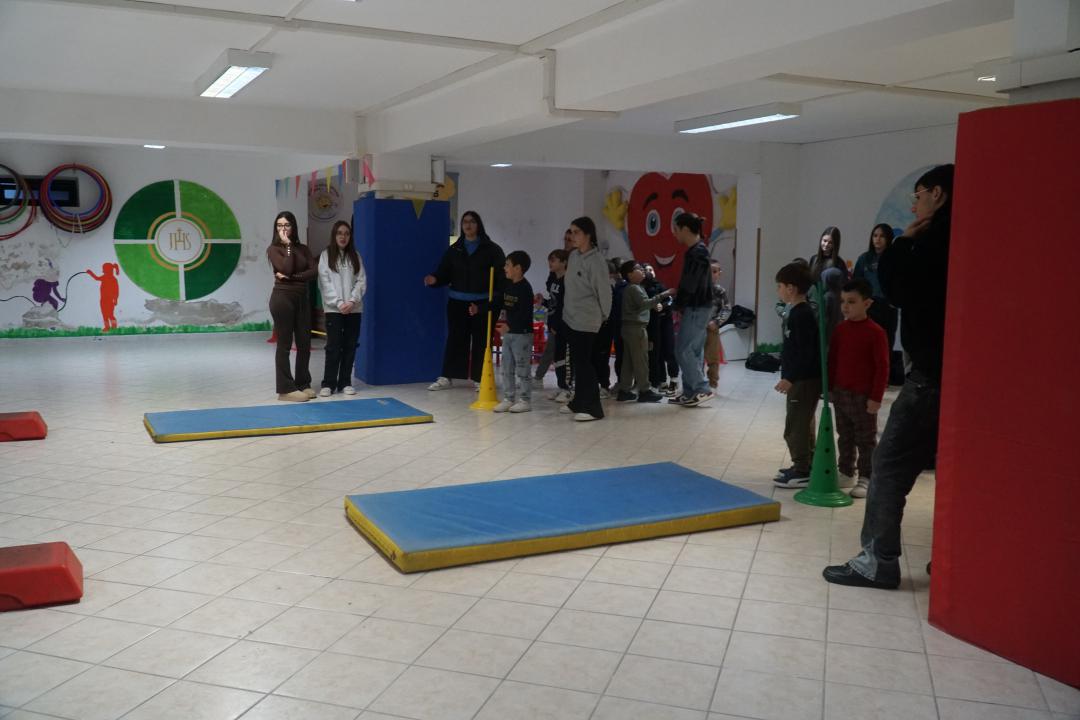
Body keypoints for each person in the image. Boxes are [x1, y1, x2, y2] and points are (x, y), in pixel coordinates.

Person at [824, 164, 954, 589]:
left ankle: (877, 562)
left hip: (931, 376)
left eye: (919, 195)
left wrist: (902, 244)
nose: (915, 205)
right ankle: (957, 558)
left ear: (937, 194)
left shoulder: (933, 241)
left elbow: (897, 289)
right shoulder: (970, 237)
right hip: (959, 376)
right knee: (954, 470)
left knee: (889, 465)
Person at [424, 211, 505, 391]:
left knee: (481, 341)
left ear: (479, 225)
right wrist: (435, 279)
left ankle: (480, 378)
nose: (468, 225)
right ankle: (447, 376)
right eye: (465, 222)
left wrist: (495, 302)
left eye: (472, 222)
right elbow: (444, 273)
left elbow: (501, 278)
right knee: (455, 339)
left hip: (483, 304)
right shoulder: (455, 249)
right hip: (457, 303)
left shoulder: (492, 250)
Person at [828, 279, 889, 497]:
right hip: (841, 392)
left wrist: (876, 397)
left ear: (867, 303)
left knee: (865, 438)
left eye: (851, 302)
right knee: (844, 435)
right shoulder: (840, 330)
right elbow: (833, 360)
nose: (845, 306)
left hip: (863, 396)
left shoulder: (876, 332)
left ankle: (866, 477)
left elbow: (882, 367)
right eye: (843, 301)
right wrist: (830, 388)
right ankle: (846, 471)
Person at [773, 262, 821, 487]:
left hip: (803, 380)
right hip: (802, 378)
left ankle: (802, 469)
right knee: (803, 421)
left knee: (796, 425)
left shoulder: (801, 315)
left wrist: (790, 377)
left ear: (791, 288)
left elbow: (805, 352)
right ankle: (806, 464)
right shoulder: (799, 312)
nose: (779, 291)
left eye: (780, 286)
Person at [561, 216, 612, 422]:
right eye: (571, 232)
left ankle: (593, 408)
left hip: (587, 319)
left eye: (576, 232)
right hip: (570, 317)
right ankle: (578, 401)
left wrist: (604, 316)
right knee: (577, 362)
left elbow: (604, 292)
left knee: (584, 363)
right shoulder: (573, 256)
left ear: (588, 235)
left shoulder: (597, 261)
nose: (572, 236)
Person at [267, 211, 317, 402]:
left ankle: (303, 383)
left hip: (302, 298)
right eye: (279, 225)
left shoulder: (303, 249)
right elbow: (285, 267)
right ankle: (285, 389)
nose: (283, 229)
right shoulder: (274, 249)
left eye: (286, 225)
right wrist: (287, 246)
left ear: (293, 227)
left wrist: (292, 277)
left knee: (304, 343)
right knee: (285, 345)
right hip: (282, 299)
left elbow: (314, 271)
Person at [669, 213, 714, 407]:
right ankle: (690, 392)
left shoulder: (697, 253)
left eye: (676, 229)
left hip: (697, 306)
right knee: (693, 350)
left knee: (682, 349)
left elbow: (690, 283)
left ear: (685, 229)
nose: (674, 234)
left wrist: (678, 304)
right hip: (700, 306)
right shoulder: (698, 251)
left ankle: (702, 388)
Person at [317, 220, 366, 397]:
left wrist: (352, 301)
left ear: (350, 236)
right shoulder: (325, 256)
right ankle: (328, 383)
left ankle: (345, 382)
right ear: (334, 235)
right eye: (339, 233)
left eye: (346, 233)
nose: (343, 237)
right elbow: (325, 283)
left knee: (350, 346)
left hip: (354, 310)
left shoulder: (356, 256)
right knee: (333, 346)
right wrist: (338, 303)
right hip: (334, 310)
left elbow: (361, 281)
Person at [615, 261, 671, 403]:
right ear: (629, 274)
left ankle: (624, 390)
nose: (642, 271)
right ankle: (645, 390)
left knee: (628, 362)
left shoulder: (634, 287)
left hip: (628, 328)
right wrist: (665, 294)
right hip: (636, 328)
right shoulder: (634, 288)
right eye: (638, 269)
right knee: (641, 361)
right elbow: (645, 304)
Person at [854, 223, 901, 384]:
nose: (878, 239)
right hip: (869, 305)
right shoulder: (864, 259)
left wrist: (894, 301)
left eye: (881, 236)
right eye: (875, 236)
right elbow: (856, 283)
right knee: (867, 342)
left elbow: (899, 282)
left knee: (885, 343)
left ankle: (882, 378)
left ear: (888, 239)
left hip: (888, 306)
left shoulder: (894, 259)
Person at [492, 251, 534, 413]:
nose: (505, 268)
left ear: (518, 268)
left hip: (522, 335)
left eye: (507, 265)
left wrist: (510, 326)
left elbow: (524, 314)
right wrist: (480, 308)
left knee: (522, 368)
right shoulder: (508, 285)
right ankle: (508, 398)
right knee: (506, 368)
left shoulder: (525, 289)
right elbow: (500, 303)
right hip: (509, 334)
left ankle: (525, 400)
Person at [535, 249, 570, 401]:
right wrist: (543, 302)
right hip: (554, 325)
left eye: (554, 260)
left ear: (564, 262)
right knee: (557, 358)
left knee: (564, 358)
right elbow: (554, 303)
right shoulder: (554, 281)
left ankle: (568, 388)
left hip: (563, 326)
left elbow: (565, 307)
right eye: (550, 260)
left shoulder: (568, 282)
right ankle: (561, 386)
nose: (550, 263)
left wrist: (558, 325)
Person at [704, 261, 732, 389]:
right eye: (711, 271)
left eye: (716, 271)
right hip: (697, 328)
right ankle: (698, 382)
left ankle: (713, 382)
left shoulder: (719, 290)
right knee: (697, 356)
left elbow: (727, 308)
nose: (714, 274)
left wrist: (717, 322)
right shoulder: (698, 289)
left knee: (713, 357)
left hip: (712, 328)